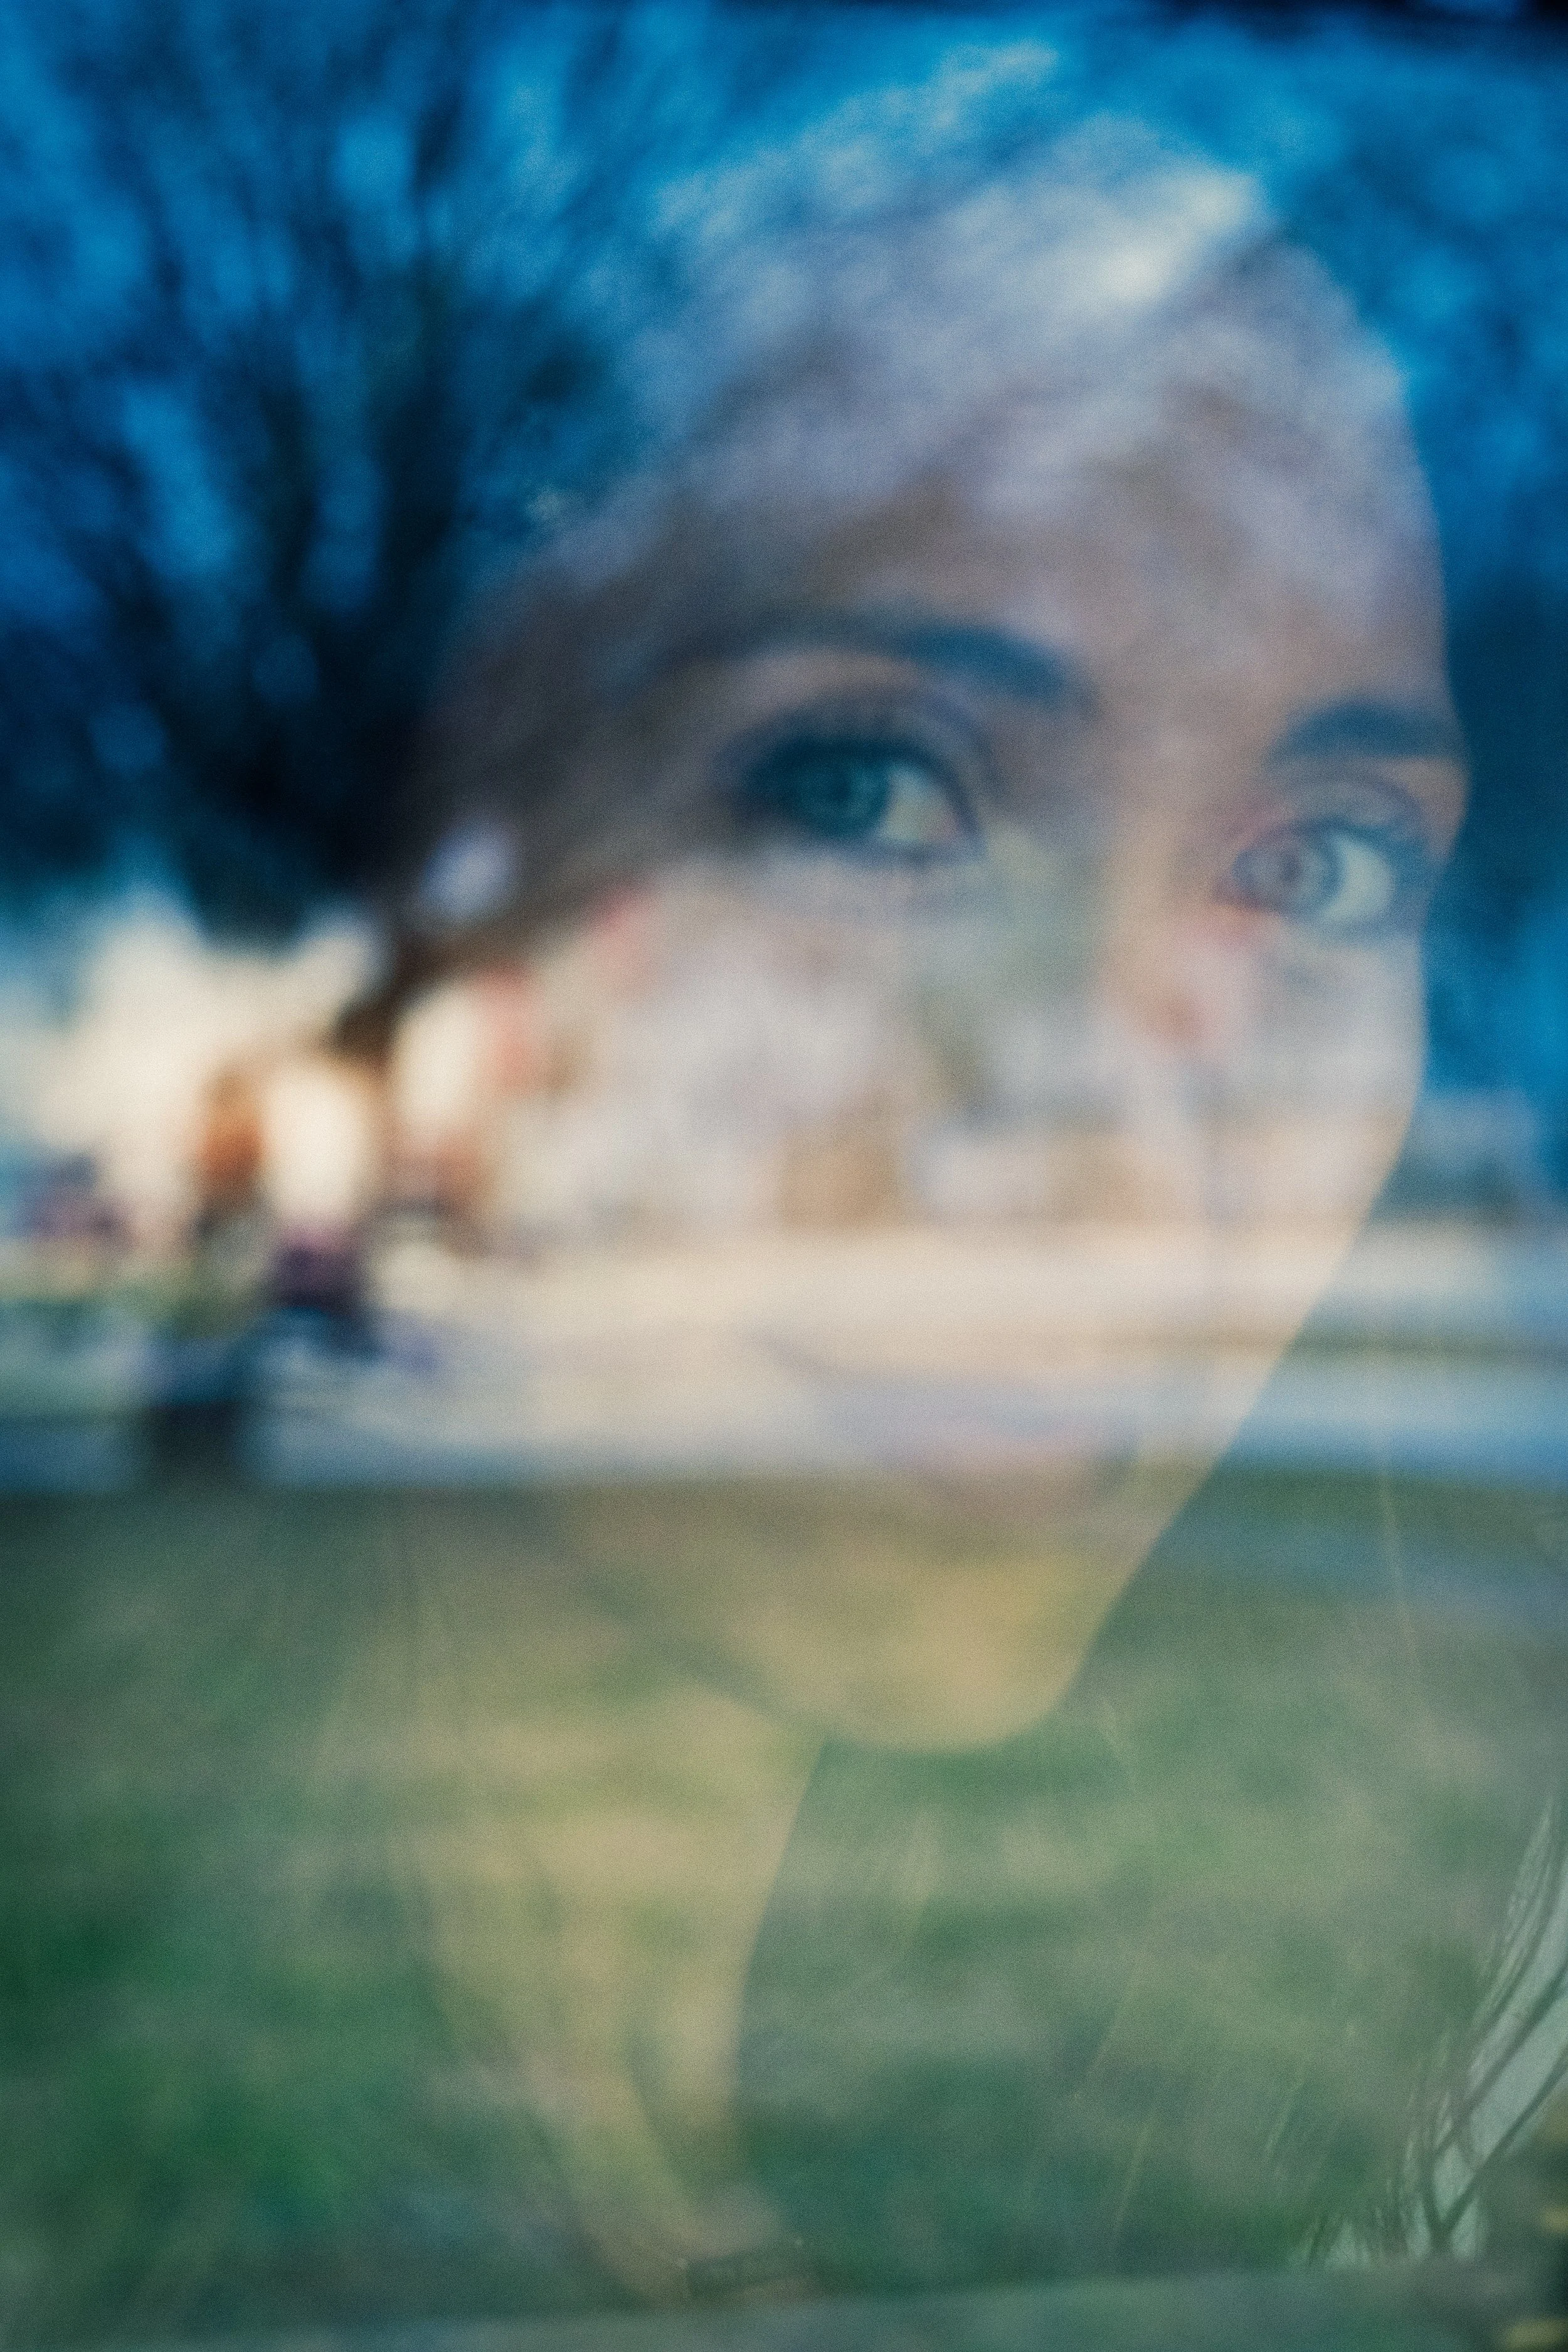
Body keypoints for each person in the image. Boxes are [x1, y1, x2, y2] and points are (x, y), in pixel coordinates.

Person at [4, 39, 1565, 2346]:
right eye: (858, 793)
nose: (1138, 1149)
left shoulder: (1340, 1986)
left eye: (1316, 866)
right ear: (406, 901)